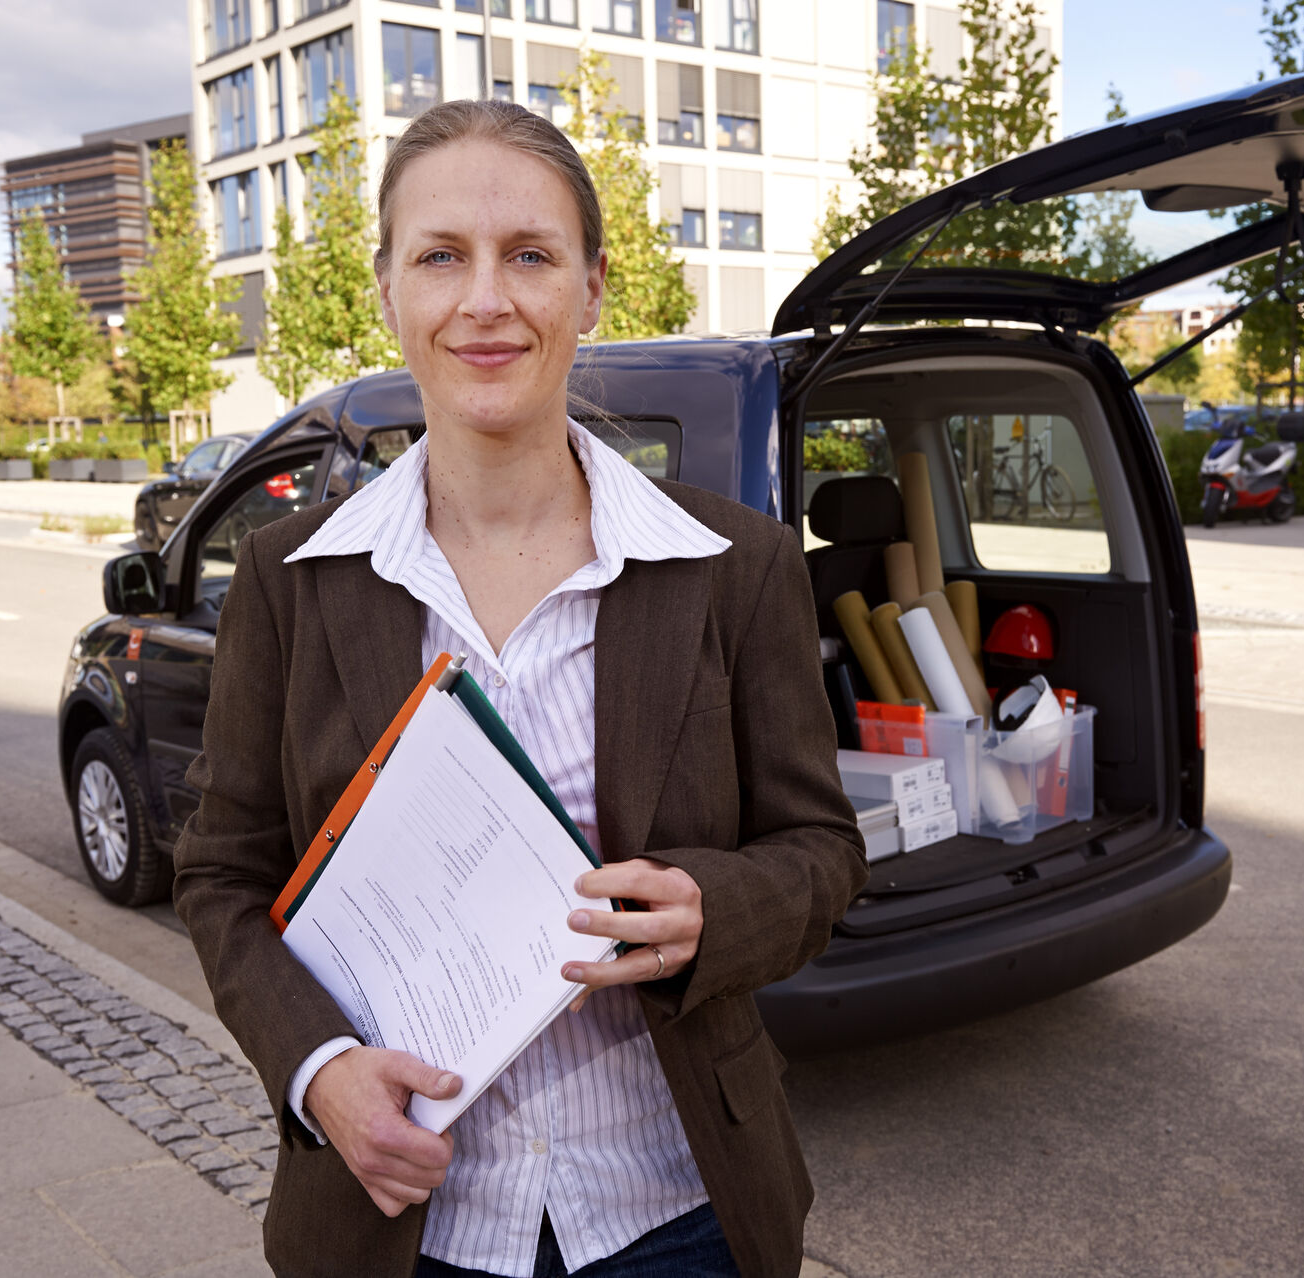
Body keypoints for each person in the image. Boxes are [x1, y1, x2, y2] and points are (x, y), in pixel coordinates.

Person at [173, 98, 868, 1278]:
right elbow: (220, 877)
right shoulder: (292, 585)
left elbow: (821, 851)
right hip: (405, 1222)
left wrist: (714, 911)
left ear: (591, 288)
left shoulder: (733, 567)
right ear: (389, 288)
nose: (485, 299)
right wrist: (317, 1071)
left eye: (530, 256)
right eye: (441, 255)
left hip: (677, 1213)